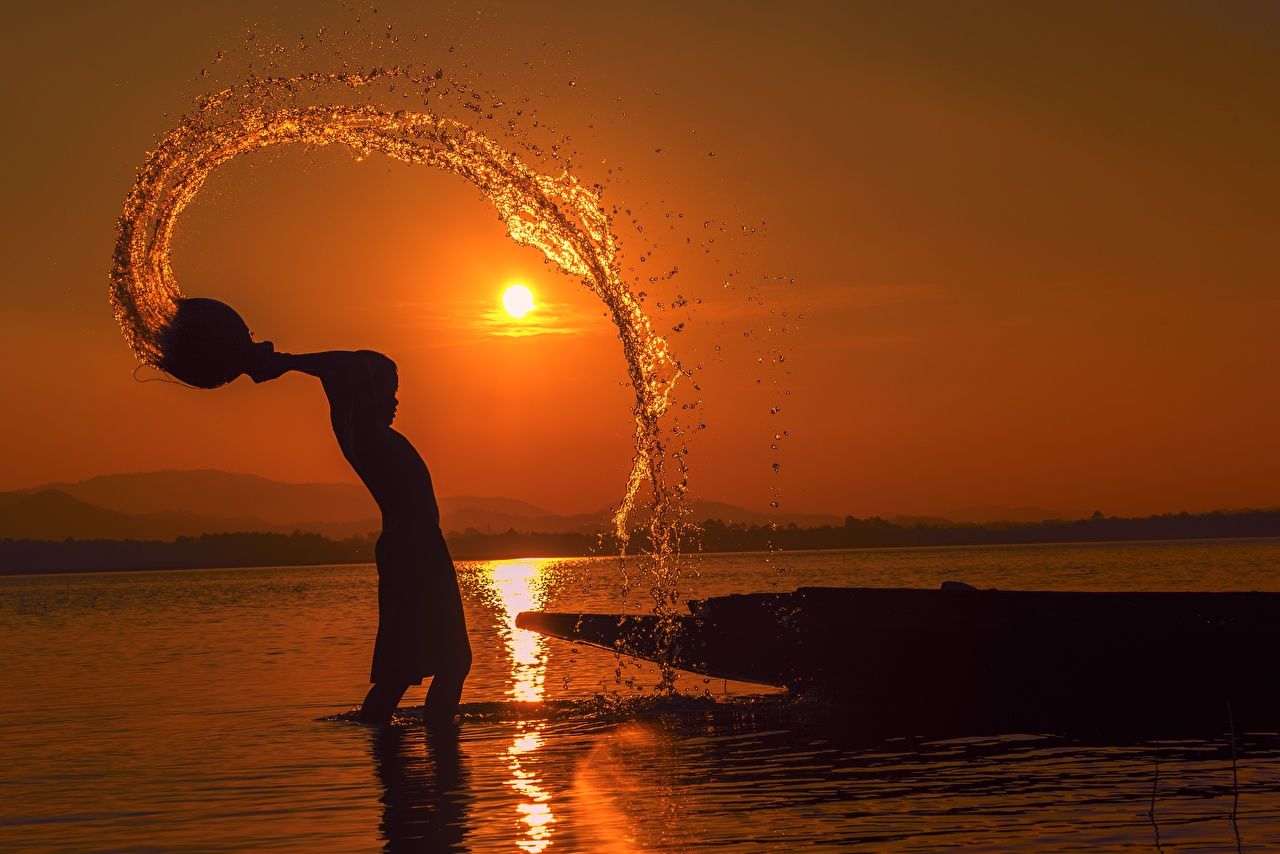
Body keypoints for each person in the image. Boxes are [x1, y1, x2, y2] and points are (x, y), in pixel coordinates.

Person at [160, 298, 471, 727]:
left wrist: (279, 364)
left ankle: (388, 744)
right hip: (415, 551)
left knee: (404, 671)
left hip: (412, 550)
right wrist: (285, 363)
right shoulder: (365, 431)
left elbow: (346, 371)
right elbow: (350, 366)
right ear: (368, 391)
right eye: (390, 389)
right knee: (451, 662)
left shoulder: (356, 428)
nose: (397, 400)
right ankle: (440, 756)